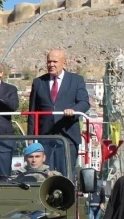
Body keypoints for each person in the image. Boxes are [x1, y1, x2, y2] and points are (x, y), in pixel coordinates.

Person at [27, 49, 90, 177]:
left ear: (64, 63)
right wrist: (31, 137)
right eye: (49, 61)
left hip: (68, 136)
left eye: (55, 61)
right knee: (43, 174)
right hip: (45, 137)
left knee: (66, 174)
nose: (51, 65)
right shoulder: (39, 82)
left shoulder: (76, 80)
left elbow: (84, 102)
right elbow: (32, 111)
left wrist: (74, 111)